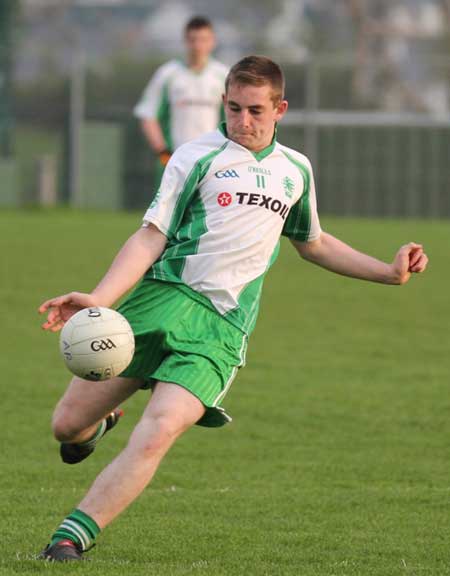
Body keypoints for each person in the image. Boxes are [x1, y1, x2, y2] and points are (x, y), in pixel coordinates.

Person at [38, 55, 428, 562]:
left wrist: (388, 270)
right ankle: (100, 421)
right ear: (224, 102)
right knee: (66, 428)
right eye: (234, 109)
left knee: (157, 431)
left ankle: (71, 537)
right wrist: (99, 299)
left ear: (280, 109)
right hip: (160, 300)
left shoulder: (296, 171)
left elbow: (313, 242)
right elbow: (151, 235)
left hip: (219, 330)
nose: (243, 121)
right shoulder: (196, 155)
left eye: (256, 111)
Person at [134, 15, 228, 187]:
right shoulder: (168, 74)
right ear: (185, 41)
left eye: (203, 39)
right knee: (168, 213)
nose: (198, 45)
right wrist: (163, 152)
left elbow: (232, 117)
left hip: (213, 162)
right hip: (176, 161)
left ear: (212, 42)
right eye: (193, 40)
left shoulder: (223, 75)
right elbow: (147, 114)